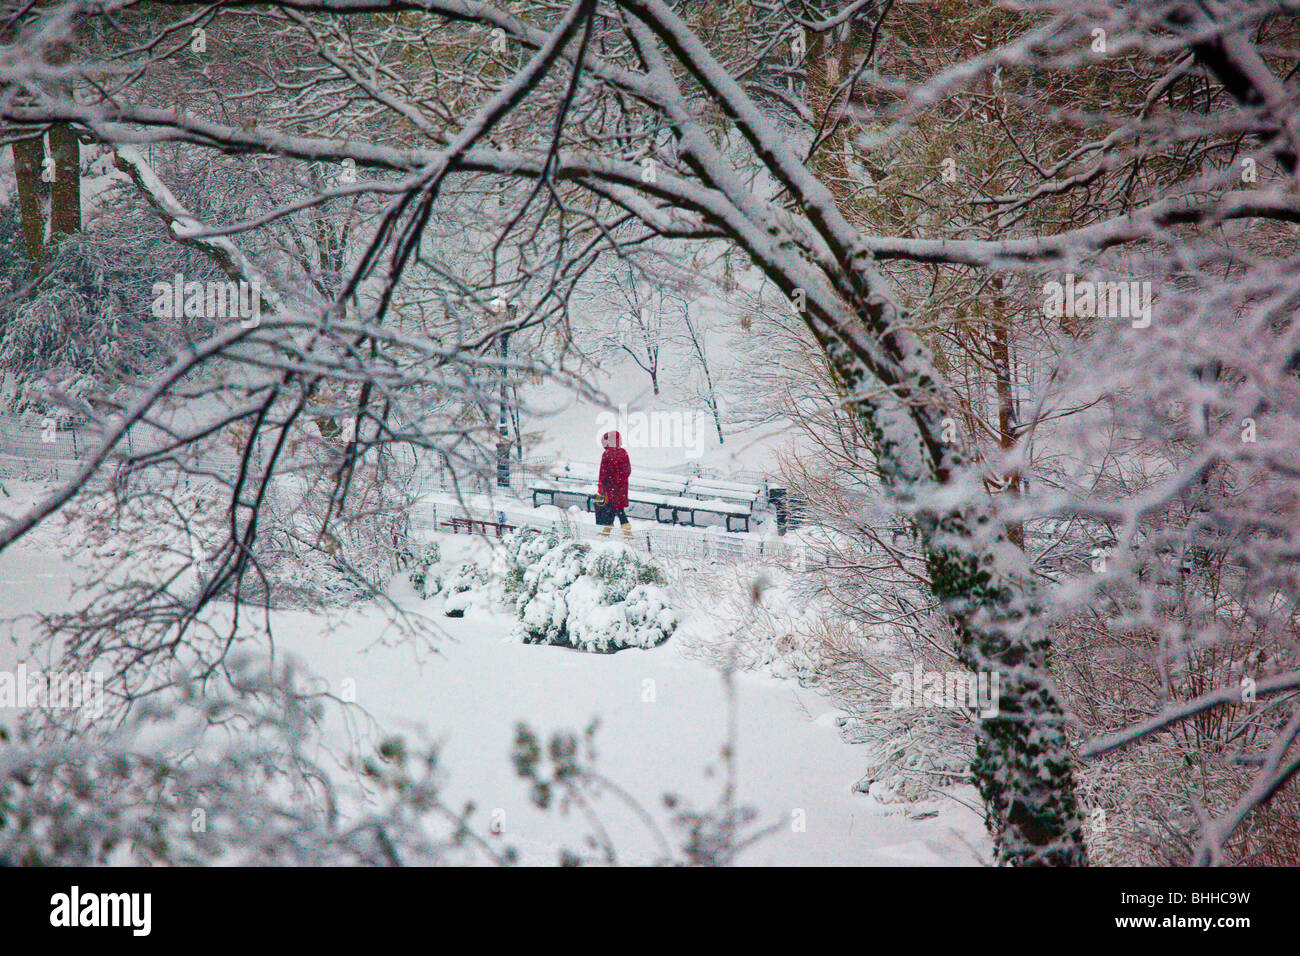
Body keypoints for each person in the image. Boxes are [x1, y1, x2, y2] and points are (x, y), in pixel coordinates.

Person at [597, 429, 633, 538]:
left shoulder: (607, 454)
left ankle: (624, 532)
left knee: (616, 508)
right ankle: (608, 531)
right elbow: (628, 471)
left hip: (610, 487)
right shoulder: (623, 453)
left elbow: (603, 473)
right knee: (615, 508)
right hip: (621, 488)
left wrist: (601, 488)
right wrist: (620, 480)